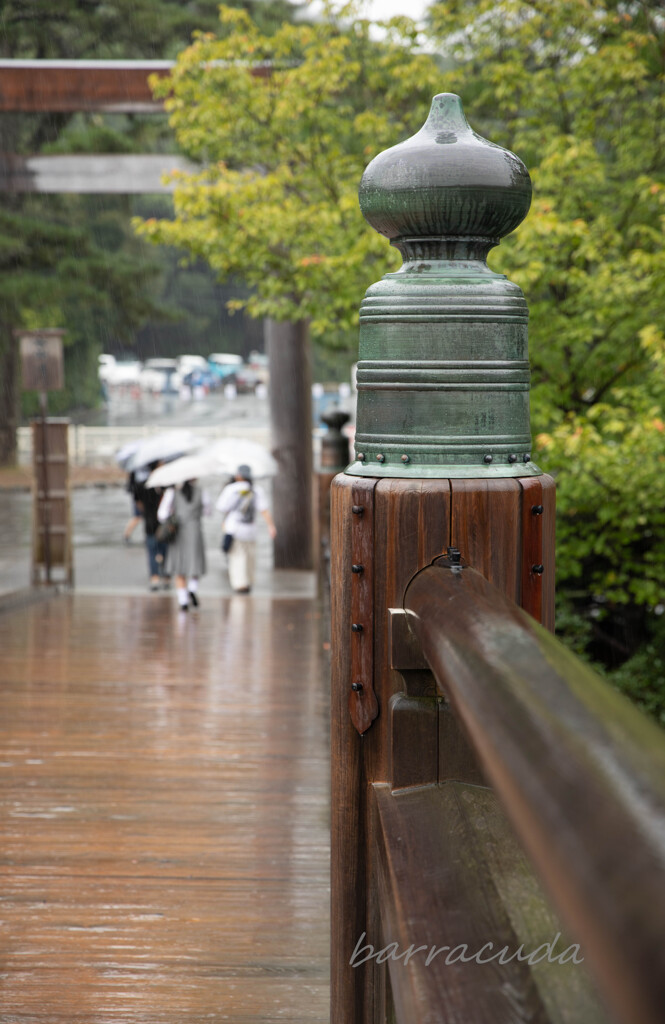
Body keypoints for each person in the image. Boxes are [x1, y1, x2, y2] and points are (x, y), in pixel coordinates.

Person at [215, 465, 276, 594]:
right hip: (251, 529)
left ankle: (240, 584)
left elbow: (221, 507)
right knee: (250, 557)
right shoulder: (256, 490)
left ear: (238, 475)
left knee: (237, 557)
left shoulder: (230, 489)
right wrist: (271, 526)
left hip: (234, 528)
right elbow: (264, 510)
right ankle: (248, 581)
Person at [158, 479, 209, 611]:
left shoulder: (172, 492)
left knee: (179, 566)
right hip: (195, 531)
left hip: (178, 531)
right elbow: (208, 512)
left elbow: (162, 515)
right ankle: (192, 589)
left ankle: (183, 600)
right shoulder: (202, 492)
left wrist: (174, 513)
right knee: (195, 562)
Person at [134, 464, 169, 591]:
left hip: (150, 523)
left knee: (154, 551)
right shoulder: (165, 486)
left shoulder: (142, 485)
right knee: (163, 550)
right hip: (160, 524)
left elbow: (138, 504)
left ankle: (156, 577)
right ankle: (163, 575)